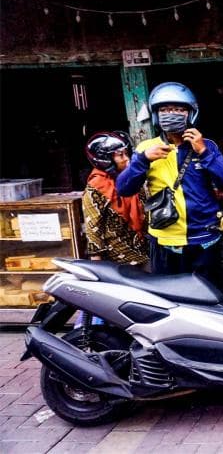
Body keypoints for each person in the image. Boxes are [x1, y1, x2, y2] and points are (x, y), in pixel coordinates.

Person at [117, 82, 223, 294]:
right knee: (169, 302)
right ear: (156, 115)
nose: (172, 114)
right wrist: (142, 160)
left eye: (179, 109)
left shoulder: (207, 145)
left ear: (191, 113)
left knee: (210, 298)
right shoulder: (146, 148)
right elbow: (124, 188)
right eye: (165, 109)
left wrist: (204, 152)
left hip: (204, 241)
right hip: (165, 243)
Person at [79, 131, 148, 327]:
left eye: (127, 153)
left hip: (141, 255)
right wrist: (98, 267)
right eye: (120, 155)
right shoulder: (95, 188)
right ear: (103, 159)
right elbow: (93, 228)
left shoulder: (132, 180)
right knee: (111, 309)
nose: (126, 159)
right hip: (114, 262)